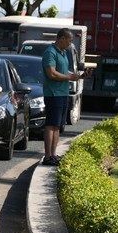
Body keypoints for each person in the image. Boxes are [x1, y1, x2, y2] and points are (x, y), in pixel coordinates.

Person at [41, 28, 90, 166]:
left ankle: (53, 154)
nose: (70, 43)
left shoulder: (63, 53)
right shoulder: (50, 52)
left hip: (63, 93)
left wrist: (79, 76)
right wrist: (69, 77)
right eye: (69, 40)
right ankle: (47, 156)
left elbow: (63, 71)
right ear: (62, 38)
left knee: (58, 125)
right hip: (53, 93)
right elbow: (52, 73)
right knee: (51, 124)